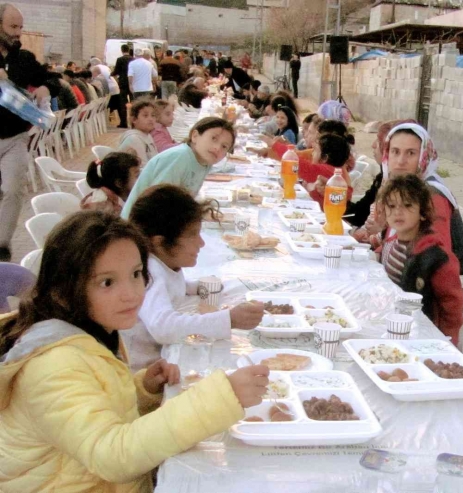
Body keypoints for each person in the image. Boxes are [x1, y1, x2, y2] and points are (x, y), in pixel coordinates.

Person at [0, 211, 270, 492]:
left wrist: (141, 389)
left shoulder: (88, 330)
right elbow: (113, 456)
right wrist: (222, 396)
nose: (131, 293)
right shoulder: (52, 364)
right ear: (62, 290)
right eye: (107, 282)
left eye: (136, 274)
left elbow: (88, 412)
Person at [125, 185, 265, 371]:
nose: (201, 243)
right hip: (143, 371)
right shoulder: (149, 272)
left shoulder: (161, 262)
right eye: (192, 235)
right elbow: (163, 327)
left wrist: (196, 287)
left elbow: (172, 287)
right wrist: (228, 319)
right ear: (159, 242)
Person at [360, 124, 463, 274]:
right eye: (395, 152)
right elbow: (395, 242)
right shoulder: (401, 189)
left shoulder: (433, 196)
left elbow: (434, 256)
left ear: (424, 157)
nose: (401, 161)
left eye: (411, 153)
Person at [376, 175, 463, 344]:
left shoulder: (434, 256)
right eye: (391, 206)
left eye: (407, 205)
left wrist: (448, 340)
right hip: (393, 325)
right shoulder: (391, 244)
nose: (397, 212)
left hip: (422, 334)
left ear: (423, 213)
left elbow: (452, 303)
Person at [0, 3, 51, 262]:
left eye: (21, 27)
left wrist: (43, 87)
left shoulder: (24, 58)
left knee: (13, 188)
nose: (18, 32)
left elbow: (47, 78)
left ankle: (2, 245)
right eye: (13, 27)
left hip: (14, 137)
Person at [121, 117, 235, 219]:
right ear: (195, 136)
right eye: (213, 138)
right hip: (138, 225)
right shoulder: (179, 157)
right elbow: (157, 204)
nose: (217, 148)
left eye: (224, 146)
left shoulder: (205, 161)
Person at [345, 119, 415, 228]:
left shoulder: (418, 190)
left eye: (378, 141)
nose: (373, 145)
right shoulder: (384, 178)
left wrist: (378, 235)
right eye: (396, 151)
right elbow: (359, 213)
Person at [118, 99, 158, 167]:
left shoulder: (147, 136)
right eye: (145, 115)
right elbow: (142, 168)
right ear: (134, 119)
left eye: (153, 115)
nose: (151, 119)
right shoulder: (134, 139)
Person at [111, 43, 133, 128]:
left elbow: (116, 71)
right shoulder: (132, 59)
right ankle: (133, 121)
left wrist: (111, 74)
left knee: (123, 103)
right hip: (131, 83)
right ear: (128, 50)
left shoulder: (120, 59)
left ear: (122, 50)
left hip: (123, 83)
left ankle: (124, 122)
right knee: (132, 102)